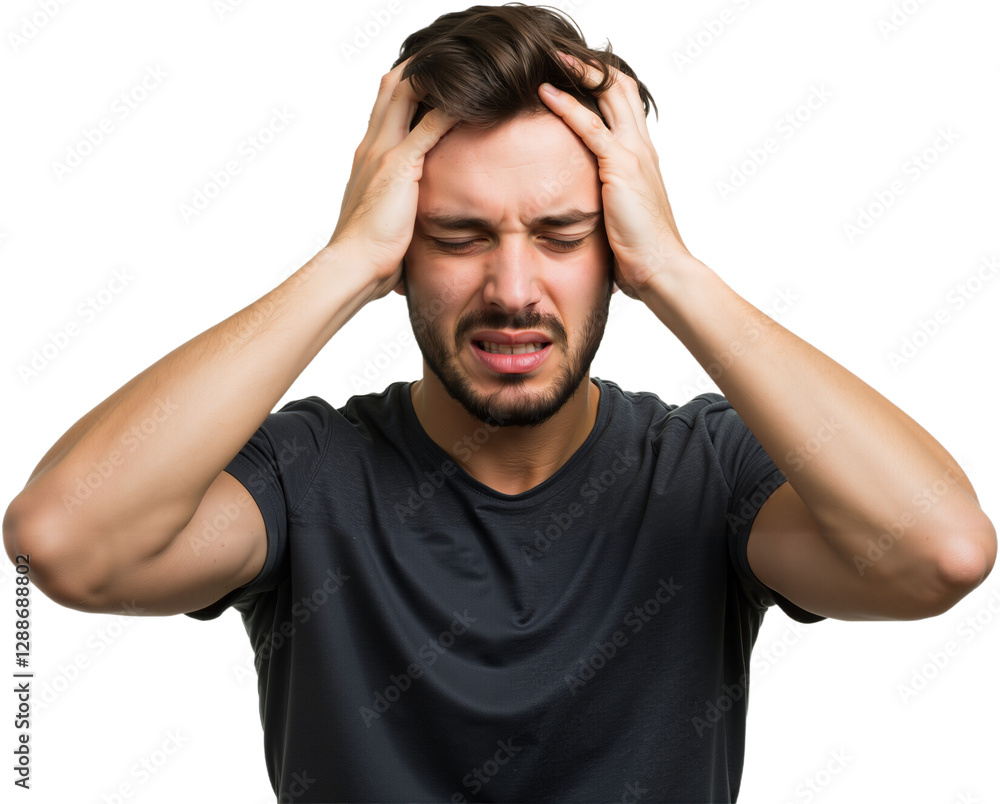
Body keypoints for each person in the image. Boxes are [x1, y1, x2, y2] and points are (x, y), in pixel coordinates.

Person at [3, 3, 995, 802]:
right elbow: (65, 542)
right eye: (459, 236)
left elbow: (937, 554)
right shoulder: (307, 475)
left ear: (618, 251)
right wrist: (344, 261)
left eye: (563, 236)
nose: (514, 291)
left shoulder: (706, 473)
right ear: (400, 250)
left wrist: (677, 273)